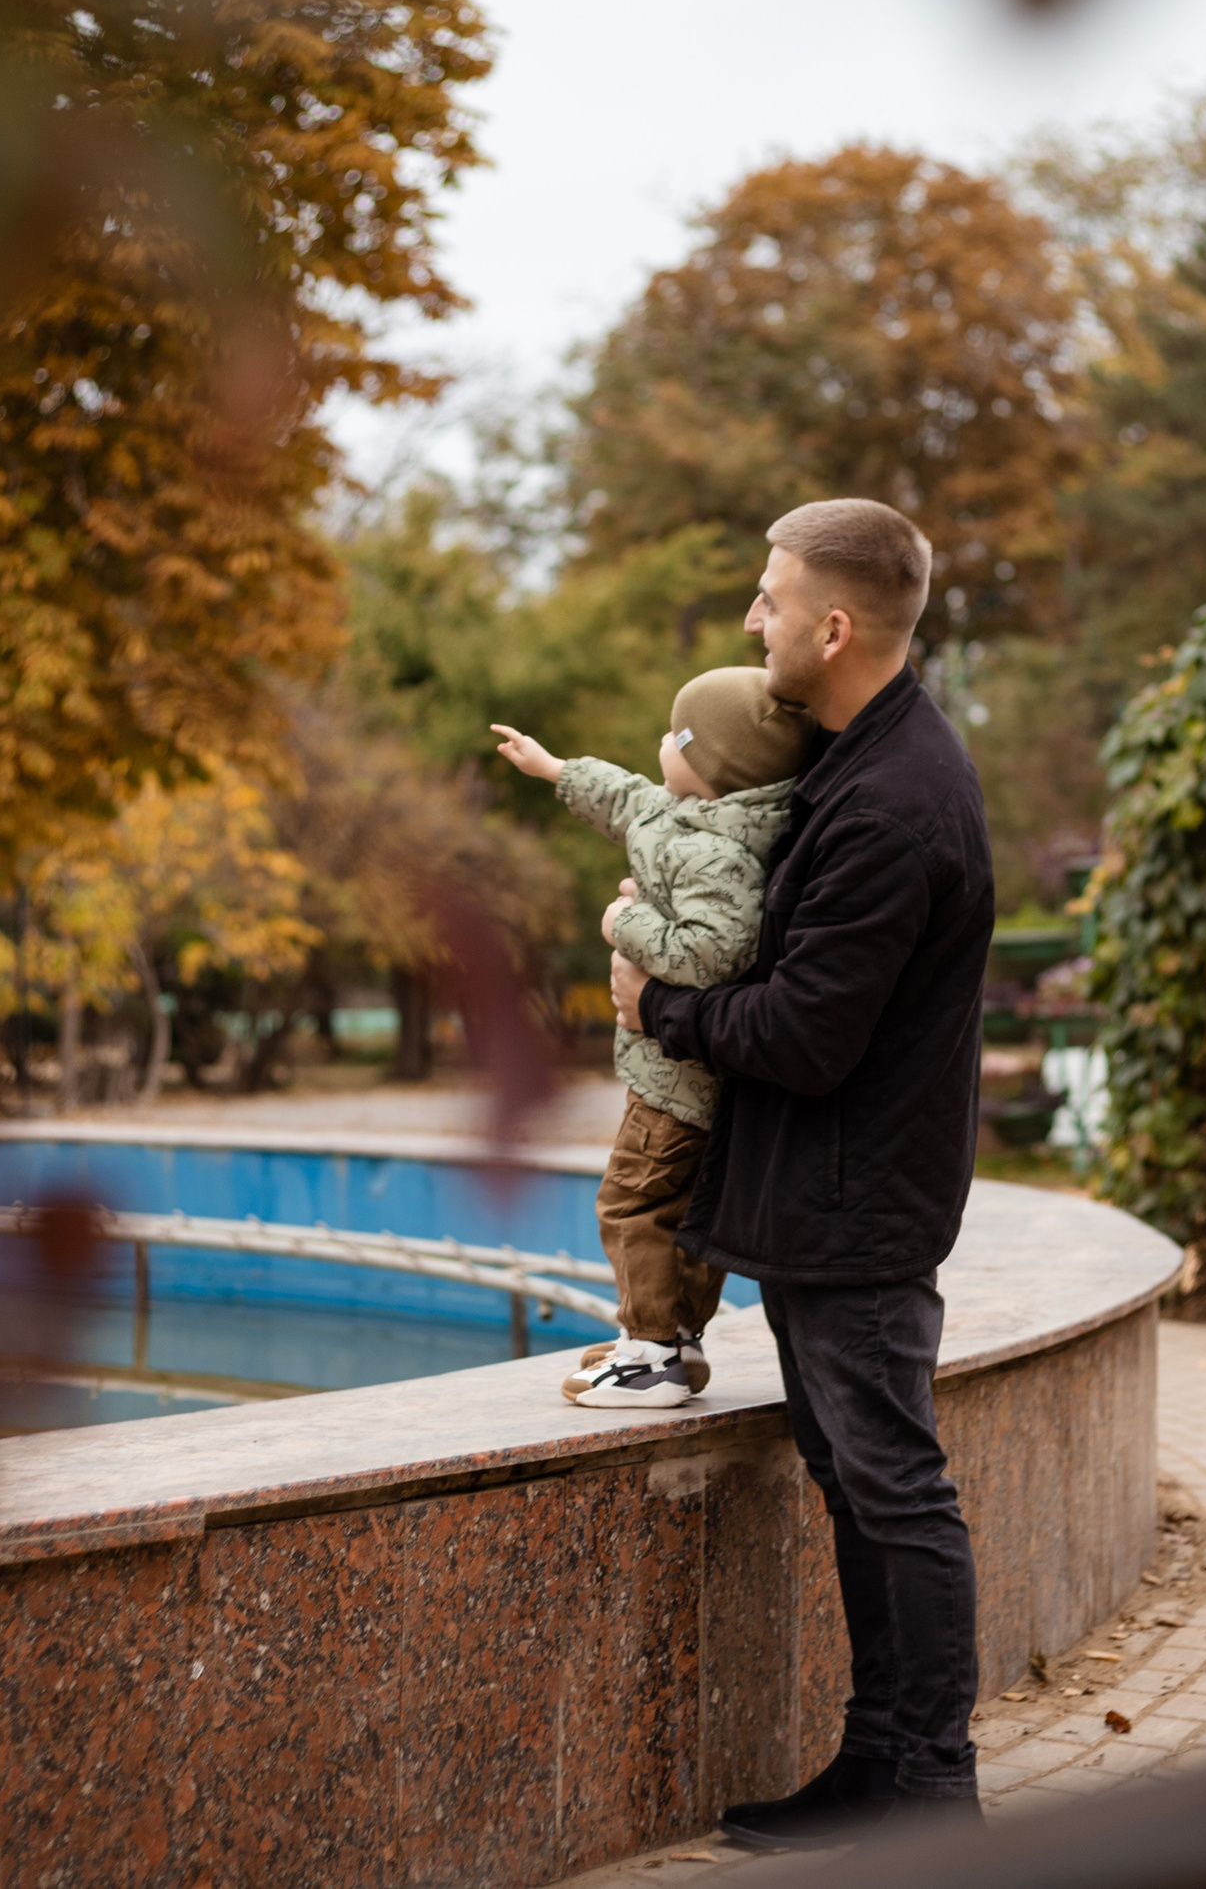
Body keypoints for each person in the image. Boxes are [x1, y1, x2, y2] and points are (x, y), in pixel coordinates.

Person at [610, 498, 994, 1848]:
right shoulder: (856, 767)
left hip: (857, 1206)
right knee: (859, 1481)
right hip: (831, 1197)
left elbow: (804, 1036)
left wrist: (656, 1003)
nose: (751, 621)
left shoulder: (888, 806)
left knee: (893, 1487)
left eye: (769, 601)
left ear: (835, 627)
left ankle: (930, 1791)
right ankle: (882, 1768)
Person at [490, 669, 810, 1406]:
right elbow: (627, 798)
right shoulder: (686, 816)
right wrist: (556, 769)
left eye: (675, 735)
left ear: (711, 763)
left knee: (631, 1204)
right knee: (682, 1210)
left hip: (678, 1076)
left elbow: (710, 952)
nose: (660, 744)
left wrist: (621, 923)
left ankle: (648, 1354)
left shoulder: (718, 856)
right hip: (679, 1068)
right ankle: (674, 1340)